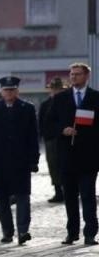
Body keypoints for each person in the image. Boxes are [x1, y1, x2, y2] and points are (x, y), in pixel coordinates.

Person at [0, 76, 39, 245]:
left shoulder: (27, 108)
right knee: (2, 199)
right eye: (6, 90)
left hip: (21, 162)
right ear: (1, 91)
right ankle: (7, 232)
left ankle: (23, 231)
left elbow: (33, 136)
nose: (9, 92)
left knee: (23, 197)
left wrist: (34, 159)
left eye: (12, 89)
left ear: (17, 90)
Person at [47, 62, 99, 246]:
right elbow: (48, 124)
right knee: (69, 197)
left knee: (88, 196)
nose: (73, 77)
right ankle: (72, 233)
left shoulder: (95, 97)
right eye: (72, 74)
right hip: (66, 156)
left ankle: (90, 233)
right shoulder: (60, 99)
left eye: (77, 74)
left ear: (86, 76)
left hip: (89, 157)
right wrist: (63, 130)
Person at [38, 77, 67, 204]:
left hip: (66, 139)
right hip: (51, 139)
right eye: (54, 89)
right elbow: (41, 123)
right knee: (53, 166)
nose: (56, 91)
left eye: (59, 89)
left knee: (66, 165)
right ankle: (58, 191)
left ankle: (69, 190)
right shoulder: (46, 105)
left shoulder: (68, 103)